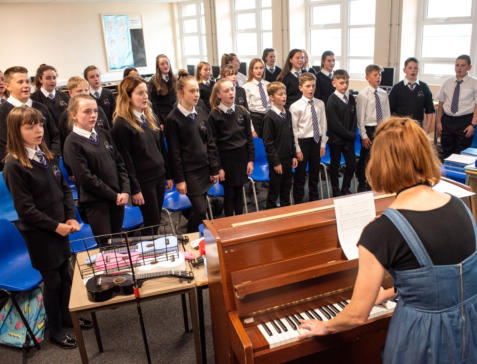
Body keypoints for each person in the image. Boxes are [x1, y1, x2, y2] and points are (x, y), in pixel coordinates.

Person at [298, 117, 477, 364]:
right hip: (469, 331)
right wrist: (392, 292)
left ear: (381, 164)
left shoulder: (381, 231)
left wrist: (325, 326)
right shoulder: (460, 205)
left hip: (422, 342)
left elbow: (357, 315)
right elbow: (445, 278)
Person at [2, 106, 88, 349]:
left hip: (61, 227)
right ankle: (56, 331)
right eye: (30, 127)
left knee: (65, 276)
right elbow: (26, 210)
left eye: (39, 124)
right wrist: (55, 226)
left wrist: (71, 218)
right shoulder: (14, 165)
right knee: (52, 283)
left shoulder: (46, 156)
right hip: (41, 234)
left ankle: (66, 317)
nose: (38, 130)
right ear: (16, 131)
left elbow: (63, 190)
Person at [63, 95, 130, 242]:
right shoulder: (72, 142)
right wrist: (114, 195)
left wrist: (125, 190)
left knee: (117, 241)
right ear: (74, 115)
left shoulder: (103, 133)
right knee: (106, 246)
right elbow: (85, 178)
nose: (93, 115)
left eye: (95, 111)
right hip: (96, 202)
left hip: (117, 199)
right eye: (86, 111)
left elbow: (120, 163)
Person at [112, 76, 172, 233]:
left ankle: (154, 250)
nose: (145, 96)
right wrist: (135, 188)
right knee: (151, 222)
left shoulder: (148, 117)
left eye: (146, 92)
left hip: (158, 176)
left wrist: (168, 174)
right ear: (128, 96)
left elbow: (160, 149)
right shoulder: (121, 124)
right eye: (140, 93)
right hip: (143, 182)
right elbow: (126, 160)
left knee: (156, 219)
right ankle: (148, 253)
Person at [165, 75, 219, 232]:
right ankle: (190, 236)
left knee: (200, 208)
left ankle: (198, 235)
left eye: (197, 91)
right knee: (201, 209)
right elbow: (174, 153)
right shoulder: (172, 119)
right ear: (181, 93)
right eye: (192, 91)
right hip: (189, 172)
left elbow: (209, 142)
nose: (196, 94)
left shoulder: (201, 111)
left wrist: (214, 168)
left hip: (204, 168)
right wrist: (180, 180)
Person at [208, 79, 254, 216]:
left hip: (241, 159)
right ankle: (229, 224)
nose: (230, 93)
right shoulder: (214, 115)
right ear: (218, 95)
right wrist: (218, 168)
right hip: (226, 161)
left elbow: (249, 138)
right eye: (226, 90)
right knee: (230, 194)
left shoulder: (242, 111)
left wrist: (250, 160)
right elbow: (213, 145)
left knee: (240, 192)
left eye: (232, 89)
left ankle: (239, 222)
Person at [0, 66, 60, 169]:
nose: (26, 85)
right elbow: (3, 146)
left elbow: (55, 136)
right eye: (20, 82)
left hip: (48, 163)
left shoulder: (41, 108)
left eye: (27, 81)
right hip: (23, 168)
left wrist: (52, 158)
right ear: (8, 86)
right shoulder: (2, 111)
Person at [290, 72, 327, 203]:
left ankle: (314, 198)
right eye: (308, 86)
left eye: (313, 86)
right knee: (300, 175)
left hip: (316, 141)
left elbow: (323, 124)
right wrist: (297, 149)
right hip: (302, 142)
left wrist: (323, 144)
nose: (311, 89)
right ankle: (298, 201)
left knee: (314, 172)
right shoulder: (295, 107)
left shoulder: (320, 104)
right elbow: (294, 130)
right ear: (301, 88)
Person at [262, 81, 297, 209]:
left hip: (288, 157)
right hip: (277, 160)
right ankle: (270, 213)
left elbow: (291, 135)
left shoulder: (287, 114)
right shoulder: (269, 117)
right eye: (280, 94)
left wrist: (293, 155)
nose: (284, 97)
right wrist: (276, 162)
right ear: (271, 97)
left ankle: (286, 210)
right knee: (275, 189)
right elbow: (268, 142)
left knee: (286, 188)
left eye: (285, 94)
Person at [356, 64, 390, 192]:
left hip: (381, 128)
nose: (378, 77)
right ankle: (362, 181)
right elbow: (360, 118)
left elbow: (387, 114)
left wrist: (387, 130)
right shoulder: (363, 95)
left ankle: (376, 181)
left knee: (379, 157)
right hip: (368, 129)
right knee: (367, 158)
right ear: (367, 78)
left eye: (379, 75)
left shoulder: (383, 94)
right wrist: (363, 136)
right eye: (375, 75)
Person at [437, 54, 477, 159]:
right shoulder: (447, 82)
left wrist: (473, 125)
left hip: (464, 121)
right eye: (457, 65)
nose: (459, 68)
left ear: (469, 67)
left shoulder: (474, 83)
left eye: (463, 65)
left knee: (461, 154)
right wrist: (439, 122)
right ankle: (444, 174)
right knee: (445, 152)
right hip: (447, 121)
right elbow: (441, 103)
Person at [325, 69, 357, 196]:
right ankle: (335, 189)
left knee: (351, 165)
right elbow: (334, 124)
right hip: (336, 140)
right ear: (334, 83)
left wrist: (352, 133)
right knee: (335, 165)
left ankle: (345, 187)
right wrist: (349, 134)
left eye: (347, 82)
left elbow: (354, 118)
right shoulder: (331, 101)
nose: (345, 85)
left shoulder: (350, 98)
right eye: (342, 83)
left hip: (349, 139)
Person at [58, 76, 110, 153]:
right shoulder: (65, 116)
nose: (84, 93)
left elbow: (107, 131)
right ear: (70, 93)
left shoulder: (99, 109)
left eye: (86, 90)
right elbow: (64, 142)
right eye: (79, 91)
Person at [389, 57, 435, 131]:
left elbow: (430, 110)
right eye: (410, 68)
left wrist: (427, 128)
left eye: (415, 68)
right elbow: (390, 110)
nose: (413, 70)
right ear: (404, 70)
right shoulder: (397, 88)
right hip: (400, 127)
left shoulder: (424, 87)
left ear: (418, 70)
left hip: (418, 127)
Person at [242, 58, 270, 137]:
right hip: (255, 119)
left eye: (261, 68)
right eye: (256, 68)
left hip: (268, 117)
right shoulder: (246, 87)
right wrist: (252, 129)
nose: (259, 71)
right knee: (258, 145)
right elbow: (246, 110)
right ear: (251, 70)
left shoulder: (268, 85)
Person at [148, 54, 177, 127]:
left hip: (174, 114)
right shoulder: (153, 81)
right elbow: (153, 104)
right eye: (162, 64)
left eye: (167, 63)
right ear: (158, 66)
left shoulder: (174, 78)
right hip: (163, 117)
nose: (165, 66)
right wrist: (159, 121)